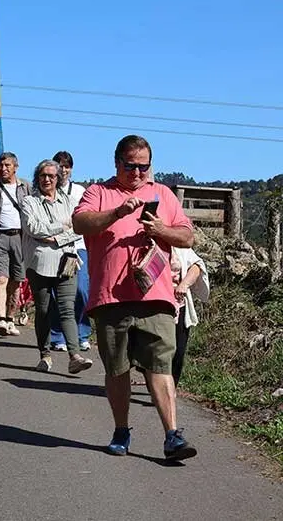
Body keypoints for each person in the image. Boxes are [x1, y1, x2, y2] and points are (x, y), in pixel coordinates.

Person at [73, 135, 197, 461]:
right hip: (110, 297)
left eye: (144, 166)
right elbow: (79, 222)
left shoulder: (163, 195)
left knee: (160, 364)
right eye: (131, 166)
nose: (138, 173)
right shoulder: (99, 192)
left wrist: (160, 230)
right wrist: (115, 213)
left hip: (155, 296)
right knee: (117, 369)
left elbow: (187, 236)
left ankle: (172, 435)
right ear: (117, 163)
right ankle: (121, 429)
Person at [20, 160, 94, 374]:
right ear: (37, 177)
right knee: (43, 310)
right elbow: (33, 227)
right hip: (39, 263)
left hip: (67, 261)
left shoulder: (71, 202)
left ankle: (75, 356)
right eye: (43, 175)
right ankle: (45, 355)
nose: (47, 179)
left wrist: (56, 237)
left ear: (58, 178)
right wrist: (61, 227)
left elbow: (78, 229)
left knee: (67, 309)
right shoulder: (29, 202)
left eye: (51, 176)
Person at [0, 152, 32, 337]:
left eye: (7, 166)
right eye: (1, 166)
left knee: (16, 281)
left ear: (15, 167)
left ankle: (10, 318)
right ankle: (1, 319)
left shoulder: (25, 186)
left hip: (21, 237)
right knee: (1, 279)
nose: (3, 169)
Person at [49, 151, 91, 352]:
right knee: (58, 293)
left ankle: (82, 332)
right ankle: (58, 335)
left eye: (66, 166)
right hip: (56, 247)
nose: (63, 170)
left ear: (71, 169)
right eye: (59, 165)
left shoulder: (80, 191)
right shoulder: (48, 190)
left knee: (82, 290)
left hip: (79, 246)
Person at [170, 247, 209, 387]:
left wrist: (184, 284)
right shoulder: (144, 242)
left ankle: (170, 388)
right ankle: (158, 386)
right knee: (155, 351)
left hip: (177, 305)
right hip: (151, 306)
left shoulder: (178, 245)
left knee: (178, 351)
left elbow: (197, 265)